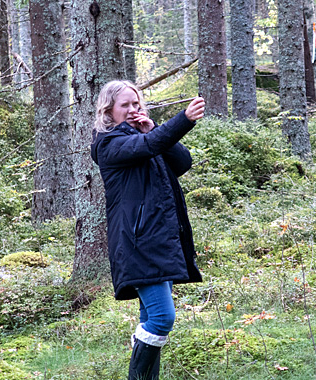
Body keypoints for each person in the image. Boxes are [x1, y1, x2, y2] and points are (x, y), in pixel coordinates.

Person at [90, 80, 205, 380]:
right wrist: (183, 120)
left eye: (135, 104)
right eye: (124, 105)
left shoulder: (143, 136)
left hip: (157, 239)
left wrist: (152, 127)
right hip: (136, 242)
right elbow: (149, 147)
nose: (132, 110)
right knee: (163, 317)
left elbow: (182, 162)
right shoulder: (109, 144)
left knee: (151, 317)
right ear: (109, 111)